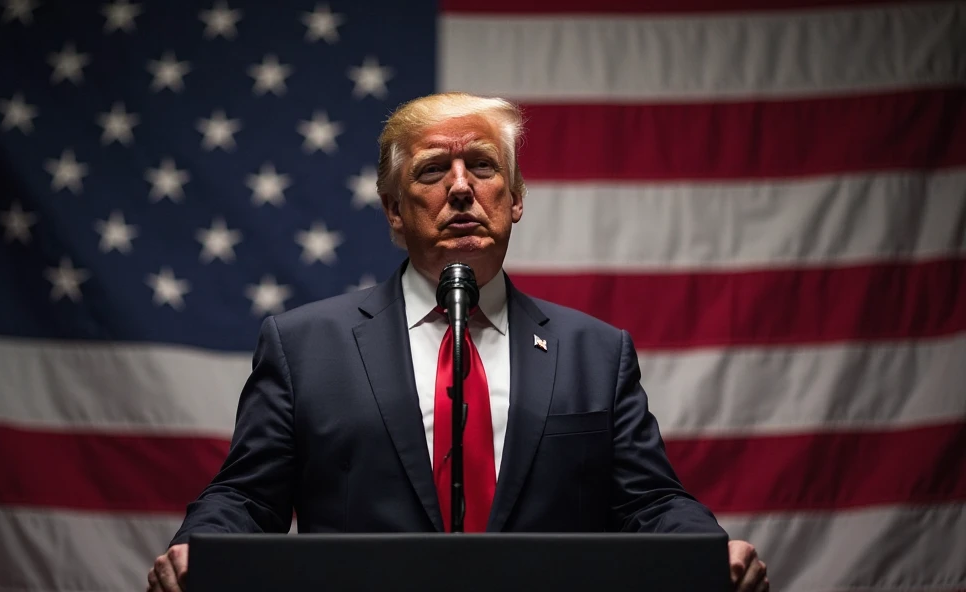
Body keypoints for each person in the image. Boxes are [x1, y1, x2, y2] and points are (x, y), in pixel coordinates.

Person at [146, 92, 769, 592]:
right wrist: (200, 548)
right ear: (394, 209)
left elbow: (650, 503)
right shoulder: (303, 346)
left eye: (484, 166)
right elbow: (246, 498)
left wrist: (708, 551)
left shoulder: (596, 354)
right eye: (433, 170)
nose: (462, 187)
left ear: (515, 199)